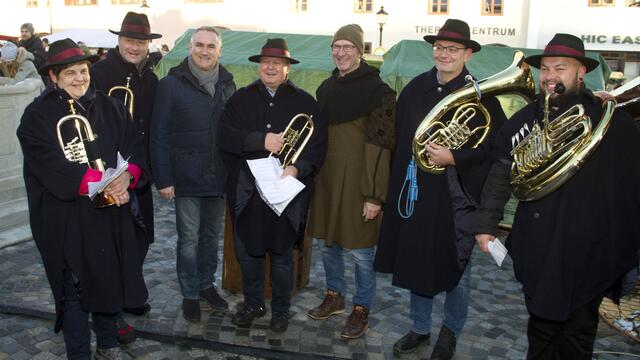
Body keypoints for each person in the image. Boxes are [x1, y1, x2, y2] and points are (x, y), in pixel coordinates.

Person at [473, 33, 640, 359]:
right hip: (541, 242)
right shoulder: (527, 119)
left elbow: (629, 185)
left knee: (578, 336)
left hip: (591, 249)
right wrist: (485, 224)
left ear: (581, 72)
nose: (549, 76)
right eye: (545, 68)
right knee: (541, 329)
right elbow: (500, 173)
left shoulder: (610, 120)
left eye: (560, 68)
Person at [374, 19, 507, 359]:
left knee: (457, 266)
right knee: (418, 261)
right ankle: (419, 327)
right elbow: (400, 140)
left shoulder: (482, 97)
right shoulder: (416, 88)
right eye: (440, 48)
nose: (444, 54)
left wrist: (455, 156)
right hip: (418, 193)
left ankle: (450, 332)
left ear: (468, 54)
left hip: (456, 197)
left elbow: (495, 151)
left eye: (452, 49)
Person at [17, 38, 148, 360]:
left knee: (108, 280)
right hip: (67, 218)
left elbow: (135, 145)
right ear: (54, 77)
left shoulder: (109, 106)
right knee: (73, 290)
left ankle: (107, 345)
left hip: (108, 213)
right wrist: (101, 183)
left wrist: (127, 177)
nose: (79, 78)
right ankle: (79, 353)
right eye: (70, 73)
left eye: (83, 71)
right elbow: (48, 164)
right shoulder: (36, 116)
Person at [218, 38, 327, 333]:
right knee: (249, 253)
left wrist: (297, 168)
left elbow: (317, 148)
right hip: (249, 192)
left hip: (285, 192)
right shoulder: (240, 99)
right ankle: (253, 304)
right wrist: (259, 140)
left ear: (287, 68)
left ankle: (281, 310)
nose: (270, 67)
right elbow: (225, 137)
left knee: (281, 256)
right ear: (258, 66)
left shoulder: (306, 102)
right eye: (266, 62)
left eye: (277, 63)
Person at [306, 24, 396, 339]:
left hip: (361, 180)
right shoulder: (326, 88)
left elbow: (381, 146)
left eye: (348, 47)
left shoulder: (379, 92)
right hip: (328, 178)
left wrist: (374, 196)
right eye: (337, 46)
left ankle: (361, 308)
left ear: (359, 51)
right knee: (326, 243)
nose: (341, 52)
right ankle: (335, 295)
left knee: (361, 251)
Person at [150, 26, 236, 322]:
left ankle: (206, 285)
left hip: (217, 175)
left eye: (210, 46)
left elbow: (231, 130)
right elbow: (158, 134)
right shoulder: (171, 84)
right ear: (190, 48)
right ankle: (189, 293)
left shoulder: (227, 82)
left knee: (211, 237)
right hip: (185, 176)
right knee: (189, 238)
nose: (204, 51)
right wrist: (163, 179)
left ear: (219, 50)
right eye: (199, 45)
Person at [90, 10, 162, 343]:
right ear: (119, 41)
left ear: (148, 46)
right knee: (111, 242)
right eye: (130, 40)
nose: (135, 47)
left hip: (139, 169)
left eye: (141, 42)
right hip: (109, 172)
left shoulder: (150, 78)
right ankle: (112, 310)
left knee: (140, 237)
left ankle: (130, 295)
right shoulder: (99, 73)